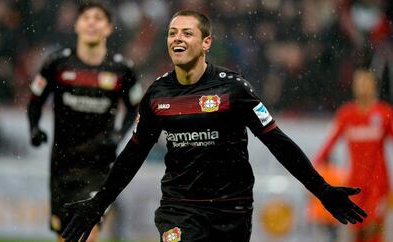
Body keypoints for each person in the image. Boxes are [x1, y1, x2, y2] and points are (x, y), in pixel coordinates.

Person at [61, 10, 367, 242]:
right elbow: (133, 154)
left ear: (206, 42)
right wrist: (98, 203)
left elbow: (278, 142)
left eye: (187, 33)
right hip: (179, 208)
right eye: (172, 33)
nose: (177, 38)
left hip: (231, 210)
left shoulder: (233, 90)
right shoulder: (156, 95)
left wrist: (322, 190)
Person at [26, 2, 141, 242]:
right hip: (62, 166)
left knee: (86, 234)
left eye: (98, 18)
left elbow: (135, 108)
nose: (91, 22)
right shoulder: (57, 64)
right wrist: (34, 128)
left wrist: (120, 135)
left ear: (109, 28)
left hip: (99, 166)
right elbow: (35, 101)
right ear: (76, 25)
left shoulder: (122, 69)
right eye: (86, 17)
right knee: (66, 236)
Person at [313, 69, 393, 242]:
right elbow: (328, 144)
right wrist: (311, 169)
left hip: (378, 185)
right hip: (355, 183)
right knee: (355, 231)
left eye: (366, 82)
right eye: (359, 83)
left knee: (374, 231)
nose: (362, 87)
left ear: (374, 86)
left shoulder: (384, 112)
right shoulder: (346, 114)